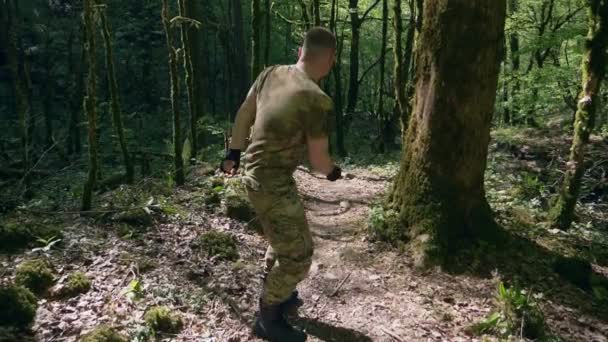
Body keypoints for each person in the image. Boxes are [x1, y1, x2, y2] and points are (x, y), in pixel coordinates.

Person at [221, 27, 341, 342]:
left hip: (256, 174)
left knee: (282, 236)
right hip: (270, 182)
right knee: (299, 255)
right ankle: (268, 316)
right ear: (330, 59)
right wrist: (333, 173)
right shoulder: (316, 99)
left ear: (300, 51)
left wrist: (232, 153)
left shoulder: (270, 74)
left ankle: (280, 291)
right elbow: (318, 160)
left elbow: (244, 113)